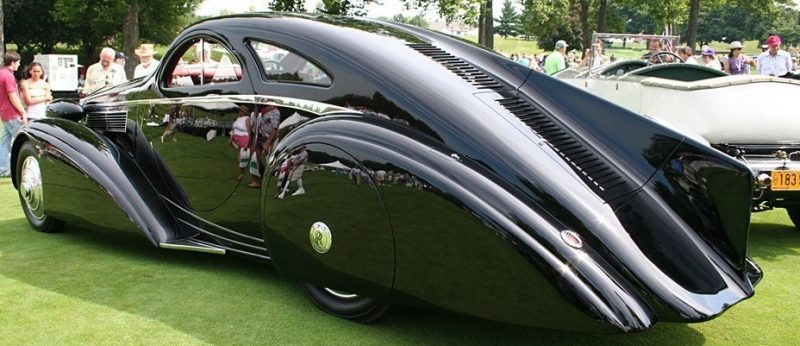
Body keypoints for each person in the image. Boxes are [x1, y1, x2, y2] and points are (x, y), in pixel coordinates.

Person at [0, 52, 28, 177]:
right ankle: (21, 167)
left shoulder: (2, 73)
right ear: (12, 62)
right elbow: (13, 97)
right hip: (12, 113)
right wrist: (23, 111)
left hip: (4, 113)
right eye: (18, 62)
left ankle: (3, 168)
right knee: (20, 141)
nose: (19, 64)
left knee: (5, 142)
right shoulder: (8, 76)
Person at [248, 103, 280, 188]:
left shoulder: (275, 112)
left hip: (269, 139)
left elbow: (274, 129)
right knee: (255, 158)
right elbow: (256, 127)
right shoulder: (262, 112)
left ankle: (274, 184)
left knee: (270, 162)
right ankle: (258, 181)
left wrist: (267, 142)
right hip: (260, 137)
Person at [230, 105, 252, 181]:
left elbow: (249, 132)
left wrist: (247, 143)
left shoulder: (247, 119)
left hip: (244, 138)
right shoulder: (238, 118)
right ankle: (242, 172)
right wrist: (231, 137)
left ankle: (242, 173)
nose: (240, 112)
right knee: (239, 157)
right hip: (237, 139)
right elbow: (234, 128)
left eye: (241, 111)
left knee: (241, 158)